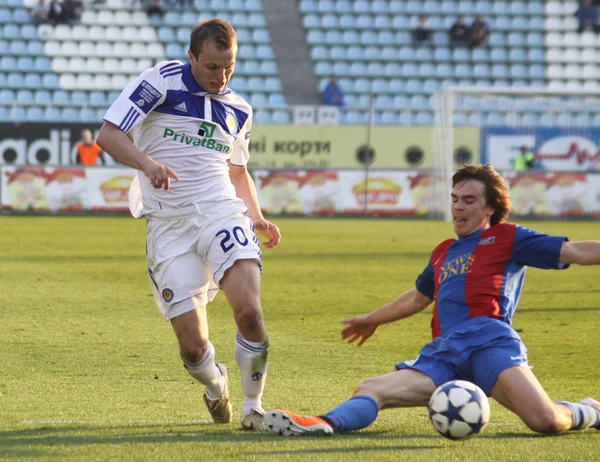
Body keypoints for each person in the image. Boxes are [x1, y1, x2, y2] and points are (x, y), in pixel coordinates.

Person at [264, 164, 600, 437]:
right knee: (372, 387)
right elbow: (418, 297)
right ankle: (324, 423)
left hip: (489, 344)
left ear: (490, 207)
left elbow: (577, 251)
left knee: (546, 422)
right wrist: (373, 318)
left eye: (468, 200)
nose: (457, 206)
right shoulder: (443, 252)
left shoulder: (509, 237)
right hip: (445, 355)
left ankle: (590, 410)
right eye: (454, 198)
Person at [96, 18, 281, 430]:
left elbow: (237, 171)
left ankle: (254, 408)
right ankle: (217, 387)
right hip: (169, 225)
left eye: (229, 66)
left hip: (221, 213)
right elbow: (108, 135)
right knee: (194, 348)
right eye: (212, 66)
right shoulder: (160, 81)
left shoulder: (239, 110)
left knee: (250, 312)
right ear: (192, 57)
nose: (222, 76)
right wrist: (147, 163)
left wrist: (256, 215)